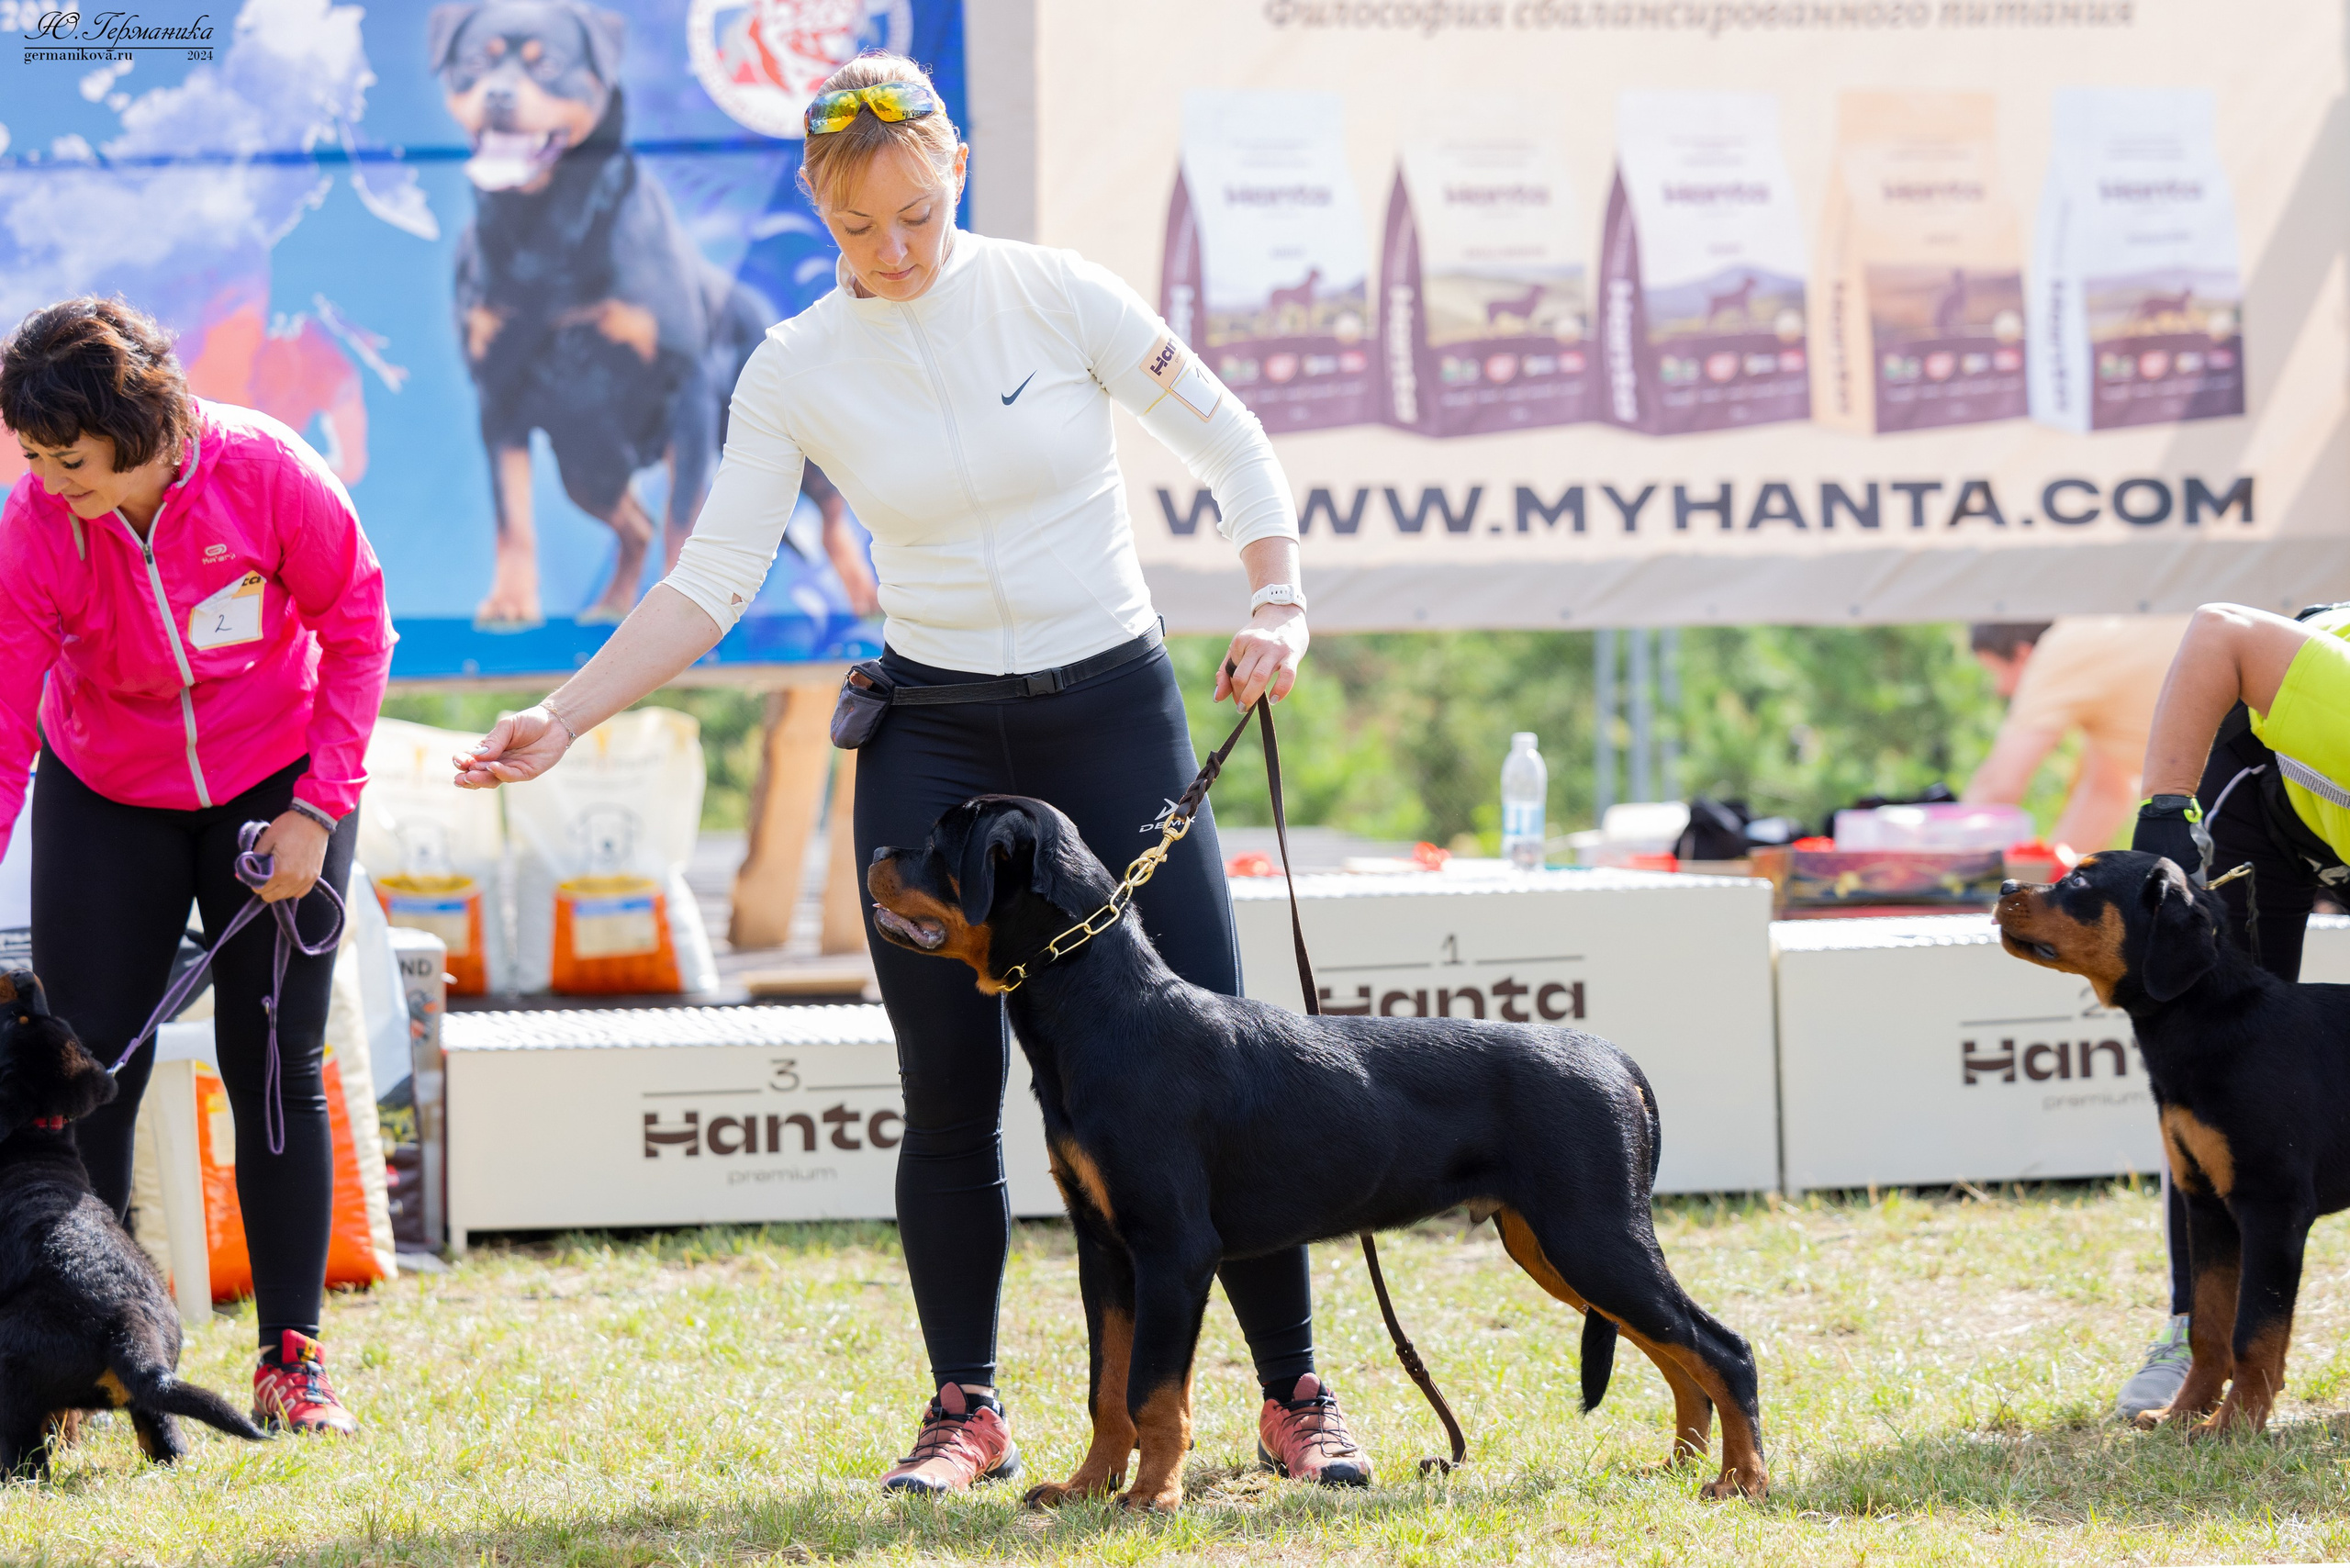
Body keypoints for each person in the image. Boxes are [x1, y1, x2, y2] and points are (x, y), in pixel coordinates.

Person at [451, 53, 1368, 1495]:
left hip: (1113, 713)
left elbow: (1230, 437)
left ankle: (1293, 1394)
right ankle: (967, 1410)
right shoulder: (797, 362)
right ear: (820, 215)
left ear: (956, 180)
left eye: (920, 218)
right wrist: (563, 715)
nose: (895, 253)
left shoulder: (1054, 291)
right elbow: (713, 577)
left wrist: (1278, 597)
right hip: (938, 739)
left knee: (1222, 1064)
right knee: (948, 1089)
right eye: (861, 230)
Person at [0, 296, 393, 1433]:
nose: (49, 479)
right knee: (87, 1071)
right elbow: (5, 725)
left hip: (275, 785)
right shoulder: (35, 525)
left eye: (69, 458)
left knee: (272, 1056)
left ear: (147, 426)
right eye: (32, 456)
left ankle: (292, 1357)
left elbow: (359, 629)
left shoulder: (267, 471)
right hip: (108, 789)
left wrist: (319, 808)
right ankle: (82, 1355)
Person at [2110, 599, 2350, 1418]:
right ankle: (2195, 1334)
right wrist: (2164, 808)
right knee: (2224, 1075)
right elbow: (2222, 630)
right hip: (2267, 807)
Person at [1963, 616, 2189, 858]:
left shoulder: (2062, 646)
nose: (2000, 689)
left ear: (2023, 655)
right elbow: (2104, 797)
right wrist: (2047, 886)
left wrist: (1951, 867)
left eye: (1995, 672)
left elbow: (1997, 788)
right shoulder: (2104, 650)